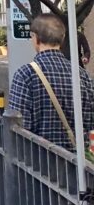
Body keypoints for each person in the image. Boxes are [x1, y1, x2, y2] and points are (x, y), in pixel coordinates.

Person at [8, 13, 94, 148]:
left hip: (38, 163)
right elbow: (90, 124)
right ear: (62, 39)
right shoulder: (83, 76)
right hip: (76, 163)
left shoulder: (25, 75)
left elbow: (18, 128)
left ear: (35, 38)